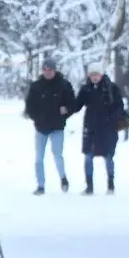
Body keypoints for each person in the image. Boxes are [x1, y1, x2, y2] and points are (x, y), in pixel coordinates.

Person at [23, 57, 76, 194]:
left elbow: (71, 103)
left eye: (50, 70)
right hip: (41, 127)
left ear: (55, 70)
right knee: (39, 158)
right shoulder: (36, 86)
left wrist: (66, 111)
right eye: (45, 69)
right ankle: (41, 185)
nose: (47, 72)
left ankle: (63, 178)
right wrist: (35, 116)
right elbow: (29, 105)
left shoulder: (64, 85)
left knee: (57, 155)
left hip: (57, 126)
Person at [71, 63, 125, 194]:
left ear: (102, 74)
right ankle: (89, 187)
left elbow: (119, 107)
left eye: (97, 74)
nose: (94, 77)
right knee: (88, 157)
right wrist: (65, 107)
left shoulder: (112, 88)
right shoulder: (86, 89)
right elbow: (77, 106)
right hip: (91, 128)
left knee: (108, 157)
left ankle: (111, 185)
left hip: (107, 129)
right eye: (92, 75)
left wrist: (112, 120)